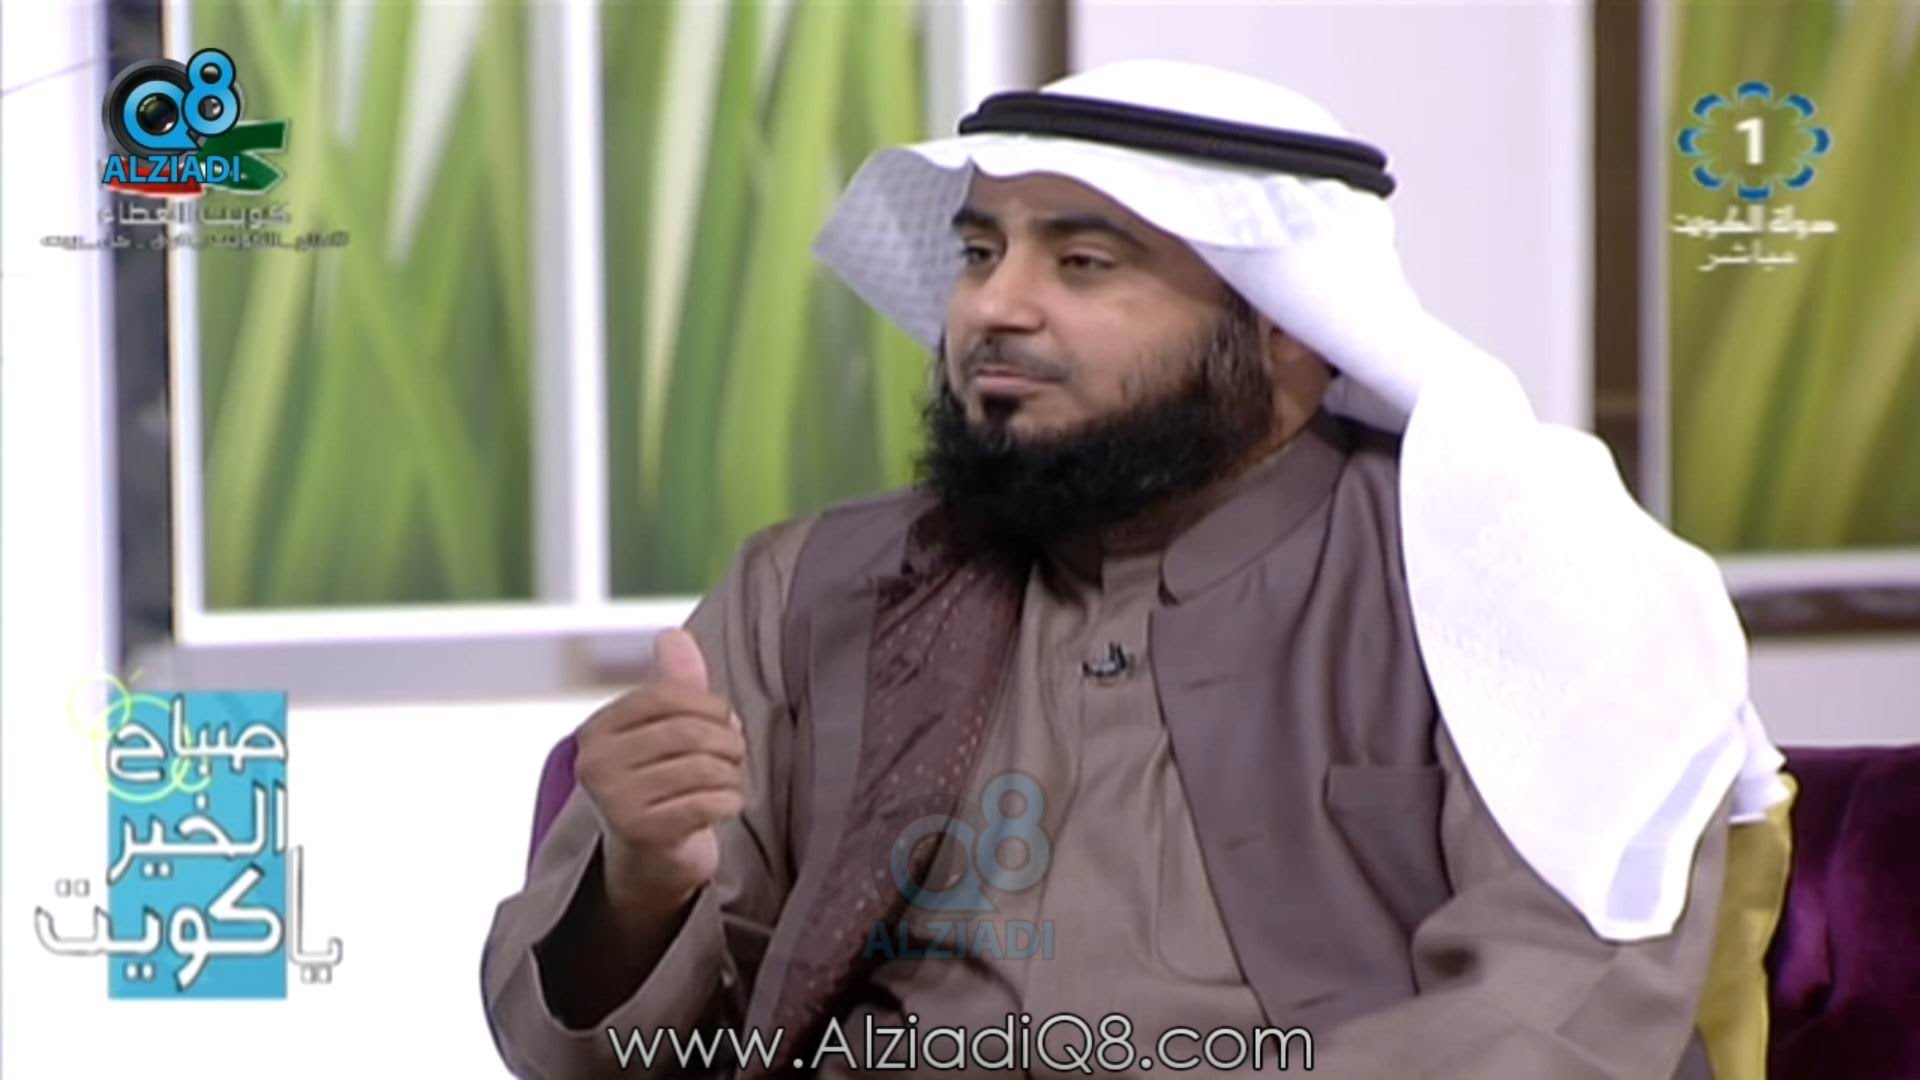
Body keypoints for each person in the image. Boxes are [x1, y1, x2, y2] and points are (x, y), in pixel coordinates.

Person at [481, 60, 1791, 1079]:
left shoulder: (1498, 575)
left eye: (1083, 262)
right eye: (980, 252)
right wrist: (639, 888)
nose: (994, 306)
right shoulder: (809, 584)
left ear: (1286, 327)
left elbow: (1554, 1016)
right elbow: (583, 1056)